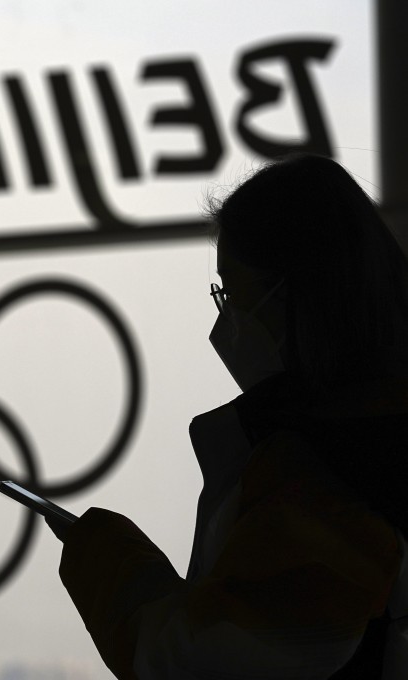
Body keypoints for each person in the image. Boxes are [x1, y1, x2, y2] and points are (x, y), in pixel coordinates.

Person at [49, 155, 408, 679]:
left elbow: (204, 663)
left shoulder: (327, 475)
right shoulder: (369, 439)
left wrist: (109, 561)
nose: (225, 322)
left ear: (295, 296)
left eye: (233, 294)